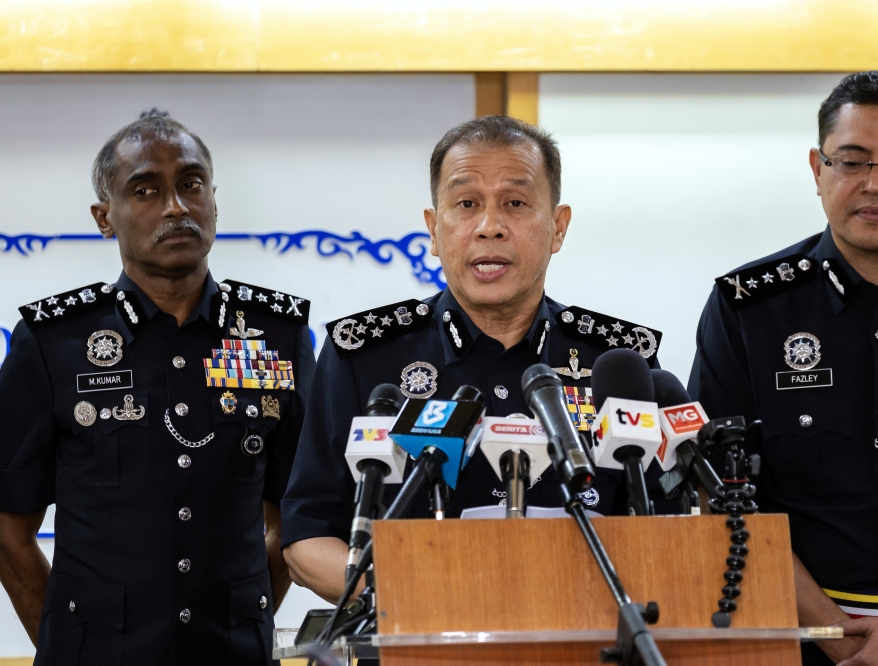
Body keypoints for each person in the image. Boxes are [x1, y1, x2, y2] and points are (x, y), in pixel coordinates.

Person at [281, 115, 666, 602]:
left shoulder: (621, 364)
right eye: (466, 204)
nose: (490, 227)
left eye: (516, 203)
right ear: (434, 229)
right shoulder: (361, 358)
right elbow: (307, 538)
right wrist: (418, 597)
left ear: (558, 227)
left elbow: (676, 522)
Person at [689, 70, 878, 666]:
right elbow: (719, 495)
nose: (876, 184)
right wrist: (837, 635)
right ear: (817, 169)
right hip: (794, 635)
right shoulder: (747, 308)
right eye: (853, 161)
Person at [0, 114, 315, 665]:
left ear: (214, 201)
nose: (175, 207)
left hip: (235, 652)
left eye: (191, 185)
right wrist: (65, 640)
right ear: (105, 218)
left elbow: (301, 510)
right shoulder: (54, 342)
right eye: (145, 190)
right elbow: (7, 526)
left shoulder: (277, 333)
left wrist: (248, 610)